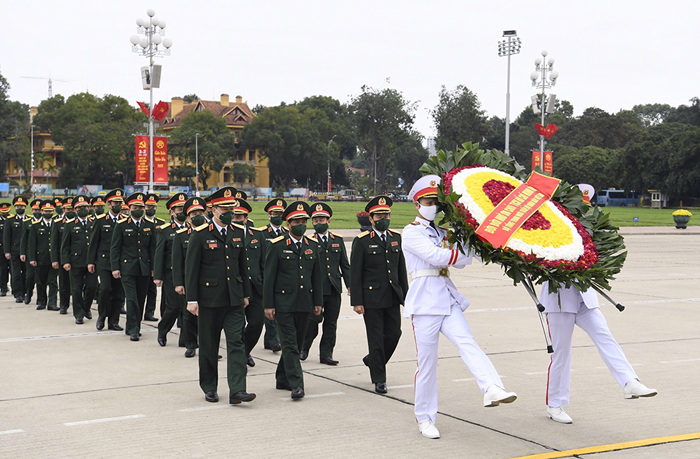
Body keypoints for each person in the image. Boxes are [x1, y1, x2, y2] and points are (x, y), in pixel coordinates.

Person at [402, 176, 518, 439]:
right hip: (425, 303)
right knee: (427, 364)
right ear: (417, 204)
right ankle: (425, 418)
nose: (432, 206)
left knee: (468, 342)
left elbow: (465, 258)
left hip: (447, 297)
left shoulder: (443, 233)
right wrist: (462, 252)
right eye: (428, 202)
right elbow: (438, 257)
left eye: (436, 202)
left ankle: (492, 387)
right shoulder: (411, 232)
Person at [541, 282, 657, 424]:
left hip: (586, 300)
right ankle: (554, 405)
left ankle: (630, 382)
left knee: (605, 337)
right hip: (558, 302)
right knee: (562, 354)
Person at [185, 187, 256, 405]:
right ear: (213, 210)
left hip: (234, 298)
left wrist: (245, 294)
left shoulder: (237, 232)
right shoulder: (200, 234)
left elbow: (243, 266)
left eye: (231, 208)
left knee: (237, 342)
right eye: (225, 208)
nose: (229, 212)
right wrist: (192, 300)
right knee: (209, 345)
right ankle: (209, 386)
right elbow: (192, 269)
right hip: (209, 299)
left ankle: (237, 390)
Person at [263, 201, 322, 400]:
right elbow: (269, 278)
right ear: (288, 224)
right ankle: (297, 384)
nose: (301, 225)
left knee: (296, 342)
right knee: (289, 343)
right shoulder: (277, 246)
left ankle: (282, 378)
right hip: (283, 304)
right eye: (296, 221)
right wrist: (268, 305)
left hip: (304, 303)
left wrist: (318, 302)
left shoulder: (312, 246)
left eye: (304, 221)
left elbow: (316, 277)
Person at [350, 196, 409, 394]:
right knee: (375, 339)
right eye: (380, 215)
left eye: (386, 215)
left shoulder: (395, 238)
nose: (384, 218)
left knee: (394, 334)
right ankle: (379, 379)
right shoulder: (362, 241)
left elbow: (401, 270)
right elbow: (355, 273)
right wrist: (357, 301)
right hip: (372, 298)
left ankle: (372, 361)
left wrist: (406, 297)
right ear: (372, 218)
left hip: (392, 296)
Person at [302, 202, 350, 366]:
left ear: (329, 221)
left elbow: (345, 265)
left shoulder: (337, 240)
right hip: (315, 290)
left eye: (322, 219)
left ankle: (326, 354)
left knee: (331, 323)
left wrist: (350, 285)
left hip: (333, 287)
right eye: (315, 220)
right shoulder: (308, 241)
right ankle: (304, 347)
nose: (318, 223)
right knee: (313, 321)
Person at [110, 192, 156, 341]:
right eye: (135, 207)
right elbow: (115, 248)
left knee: (141, 299)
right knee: (131, 299)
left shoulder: (149, 225)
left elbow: (152, 249)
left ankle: (133, 326)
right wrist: (115, 267)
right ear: (129, 208)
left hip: (143, 268)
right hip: (127, 268)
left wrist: (154, 267)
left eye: (141, 207)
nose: (139, 209)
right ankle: (134, 329)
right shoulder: (121, 225)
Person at [231, 197, 266, 368]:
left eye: (240, 217)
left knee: (257, 323)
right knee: (236, 327)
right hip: (234, 288)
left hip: (255, 287)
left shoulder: (258, 235)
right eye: (234, 216)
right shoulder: (226, 236)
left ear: (246, 218)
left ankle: (245, 351)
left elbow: (264, 263)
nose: (237, 220)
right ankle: (240, 357)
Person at [87, 189, 126, 331]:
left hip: (121, 262)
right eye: (115, 203)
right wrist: (91, 261)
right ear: (109, 204)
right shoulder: (101, 221)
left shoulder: (124, 221)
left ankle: (114, 321)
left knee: (118, 292)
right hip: (104, 261)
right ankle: (102, 316)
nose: (118, 205)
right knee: (105, 289)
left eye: (120, 203)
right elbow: (94, 242)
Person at [154, 193, 188, 347]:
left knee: (188, 309)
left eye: (183, 209)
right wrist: (158, 275)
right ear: (171, 213)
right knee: (174, 306)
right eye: (178, 209)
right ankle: (163, 329)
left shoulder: (193, 229)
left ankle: (186, 339)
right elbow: (159, 253)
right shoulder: (165, 230)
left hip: (189, 274)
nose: (181, 212)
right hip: (170, 274)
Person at [172, 197, 204, 358]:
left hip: (208, 281)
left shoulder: (210, 233)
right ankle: (190, 344)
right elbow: (176, 262)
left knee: (207, 317)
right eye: (194, 213)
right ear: (188, 216)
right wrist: (178, 283)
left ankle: (207, 347)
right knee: (189, 315)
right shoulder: (181, 235)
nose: (197, 216)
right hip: (188, 281)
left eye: (200, 213)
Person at [60, 195, 97, 325]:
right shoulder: (70, 225)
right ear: (75, 210)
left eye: (85, 207)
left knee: (92, 286)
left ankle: (86, 307)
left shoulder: (94, 222)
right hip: (75, 261)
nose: (83, 209)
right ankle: (79, 314)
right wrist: (65, 261)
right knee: (76, 289)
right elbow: (65, 245)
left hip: (91, 262)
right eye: (80, 208)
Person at [261, 198, 288, 353]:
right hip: (267, 275)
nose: (277, 216)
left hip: (282, 276)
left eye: (280, 213)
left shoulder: (286, 233)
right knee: (269, 308)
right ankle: (273, 340)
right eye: (274, 213)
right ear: (269, 215)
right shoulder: (262, 233)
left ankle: (269, 340)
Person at [27, 200, 59, 311]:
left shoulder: (56, 224)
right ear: (42, 211)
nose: (48, 213)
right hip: (40, 258)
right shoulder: (35, 226)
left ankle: (52, 303)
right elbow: (32, 243)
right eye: (46, 211)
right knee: (41, 282)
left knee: (53, 282)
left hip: (54, 258)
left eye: (50, 211)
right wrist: (32, 258)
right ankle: (41, 301)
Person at [5, 196, 30, 304]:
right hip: (14, 250)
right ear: (15, 207)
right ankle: (18, 294)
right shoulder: (10, 220)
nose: (20, 208)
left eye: (22, 206)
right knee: (16, 273)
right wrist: (7, 251)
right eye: (17, 206)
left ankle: (25, 292)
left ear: (25, 207)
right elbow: (6, 237)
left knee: (26, 273)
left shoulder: (30, 219)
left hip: (27, 251)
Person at [51, 197, 74, 314]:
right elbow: (54, 243)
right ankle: (64, 305)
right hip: (63, 258)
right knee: (64, 283)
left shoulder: (80, 222)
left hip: (77, 258)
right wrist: (54, 259)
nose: (70, 211)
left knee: (78, 285)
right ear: (63, 209)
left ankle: (80, 307)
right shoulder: (58, 223)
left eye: (72, 209)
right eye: (67, 209)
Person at [144, 193, 164, 322]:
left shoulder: (160, 223)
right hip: (143, 259)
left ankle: (149, 312)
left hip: (155, 259)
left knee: (152, 288)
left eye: (153, 206)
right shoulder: (140, 222)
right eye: (148, 206)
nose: (151, 208)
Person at [19, 199, 42, 305]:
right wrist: (22, 253)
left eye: (38, 209)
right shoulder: (27, 222)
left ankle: (40, 299)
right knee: (30, 276)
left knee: (41, 278)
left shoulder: (46, 222)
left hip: (42, 254)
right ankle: (28, 293)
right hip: (30, 254)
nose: (36, 211)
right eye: (34, 209)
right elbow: (23, 239)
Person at [0, 202, 11, 296]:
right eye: (3, 212)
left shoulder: (12, 219)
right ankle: (3, 287)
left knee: (14, 270)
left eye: (6, 211)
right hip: (1, 249)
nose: (5, 213)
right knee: (2, 270)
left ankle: (16, 288)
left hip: (12, 248)